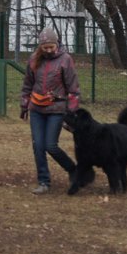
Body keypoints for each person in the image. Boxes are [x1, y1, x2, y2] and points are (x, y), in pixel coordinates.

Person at [20, 28, 80, 195]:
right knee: (38, 146)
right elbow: (27, 85)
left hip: (57, 109)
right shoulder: (33, 60)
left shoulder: (65, 60)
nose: (48, 50)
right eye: (44, 47)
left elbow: (73, 89)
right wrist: (24, 105)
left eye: (51, 47)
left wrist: (72, 111)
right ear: (40, 46)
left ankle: (73, 169)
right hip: (37, 109)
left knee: (50, 146)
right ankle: (43, 181)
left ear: (57, 45)